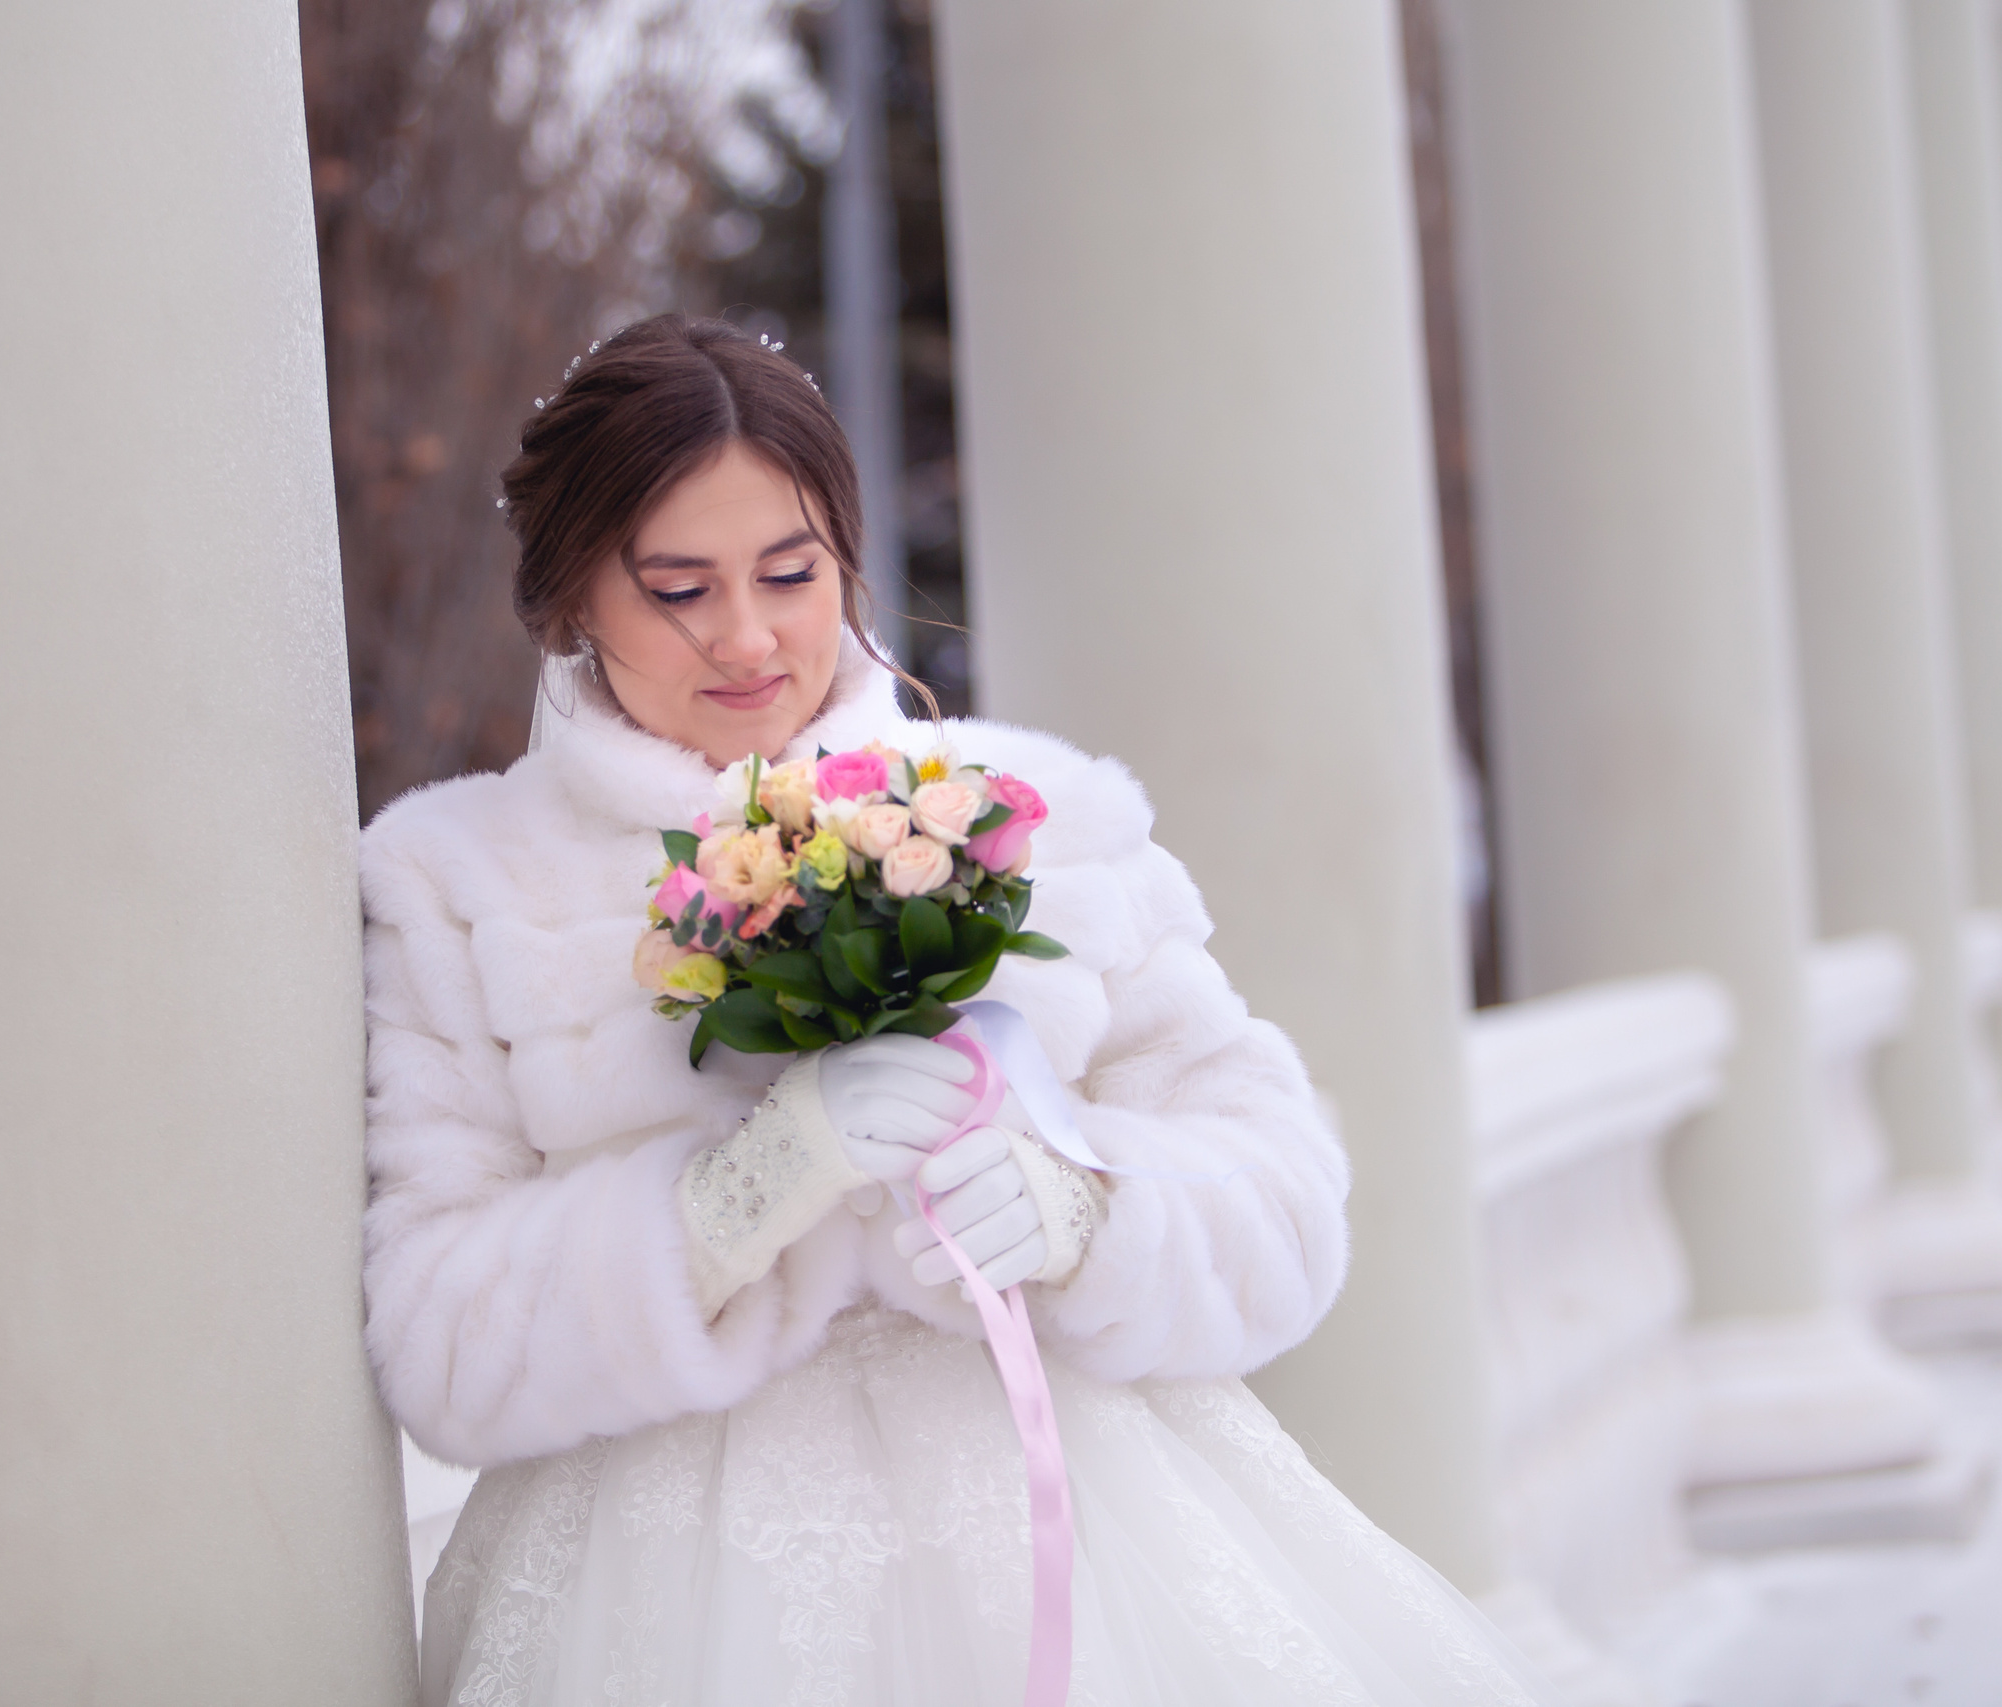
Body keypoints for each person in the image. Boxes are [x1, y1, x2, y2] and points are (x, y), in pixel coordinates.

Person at [361, 313, 1550, 1706]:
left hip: (1094, 1548)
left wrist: (1083, 1214)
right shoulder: (456, 887)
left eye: (791, 574)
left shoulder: (1039, 821)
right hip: (664, 1590)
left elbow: (1284, 1203)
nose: (747, 636)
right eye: (678, 589)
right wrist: (743, 1196)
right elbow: (440, 1346)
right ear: (572, 599)